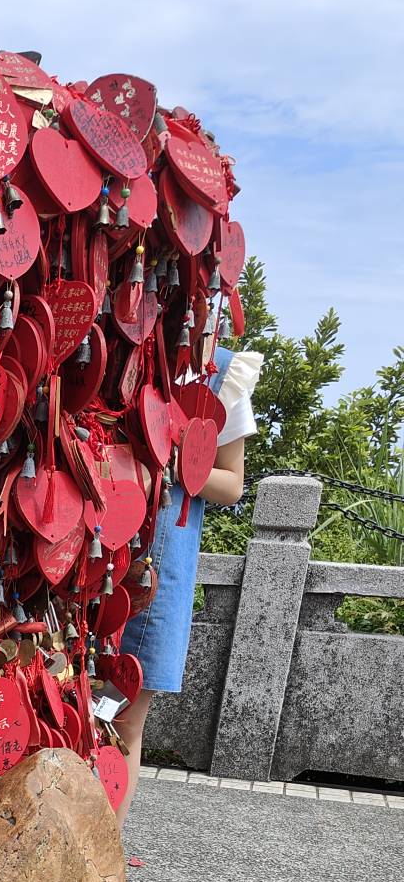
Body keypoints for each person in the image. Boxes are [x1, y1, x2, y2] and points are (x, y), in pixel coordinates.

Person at [114, 345, 262, 822]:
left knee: (124, 719)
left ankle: (99, 861)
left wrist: (176, 459)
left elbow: (232, 484)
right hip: (93, 545)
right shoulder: (123, 337)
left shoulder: (224, 372)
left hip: (158, 559)